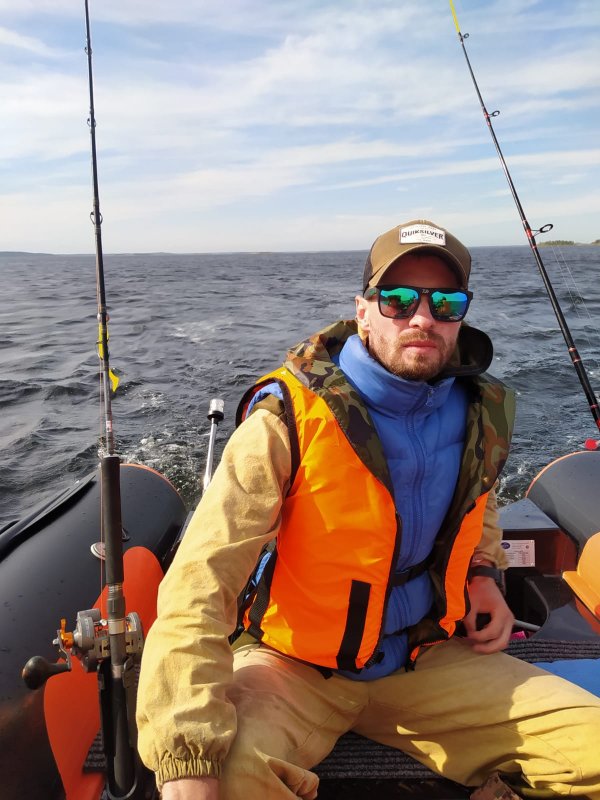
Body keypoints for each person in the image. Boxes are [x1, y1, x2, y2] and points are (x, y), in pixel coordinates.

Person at [136, 219, 600, 800]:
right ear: (363, 311)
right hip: (293, 667)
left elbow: (477, 503)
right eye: (398, 299)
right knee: (222, 776)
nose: (422, 318)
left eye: (445, 303)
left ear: (461, 316)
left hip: (428, 658)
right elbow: (200, 579)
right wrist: (186, 751)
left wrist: (483, 572)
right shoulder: (287, 417)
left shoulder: (480, 409)